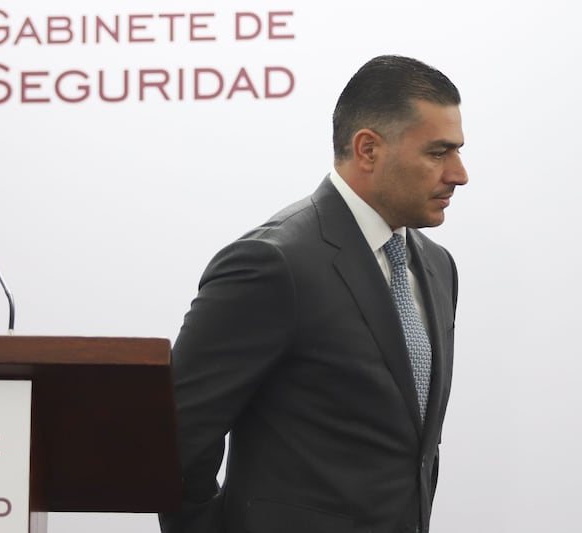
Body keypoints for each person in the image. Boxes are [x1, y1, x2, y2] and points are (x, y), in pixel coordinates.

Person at [159, 55, 468, 533]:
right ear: (368, 149)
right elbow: (176, 439)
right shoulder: (272, 263)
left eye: (458, 151)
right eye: (437, 152)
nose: (458, 173)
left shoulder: (437, 265)